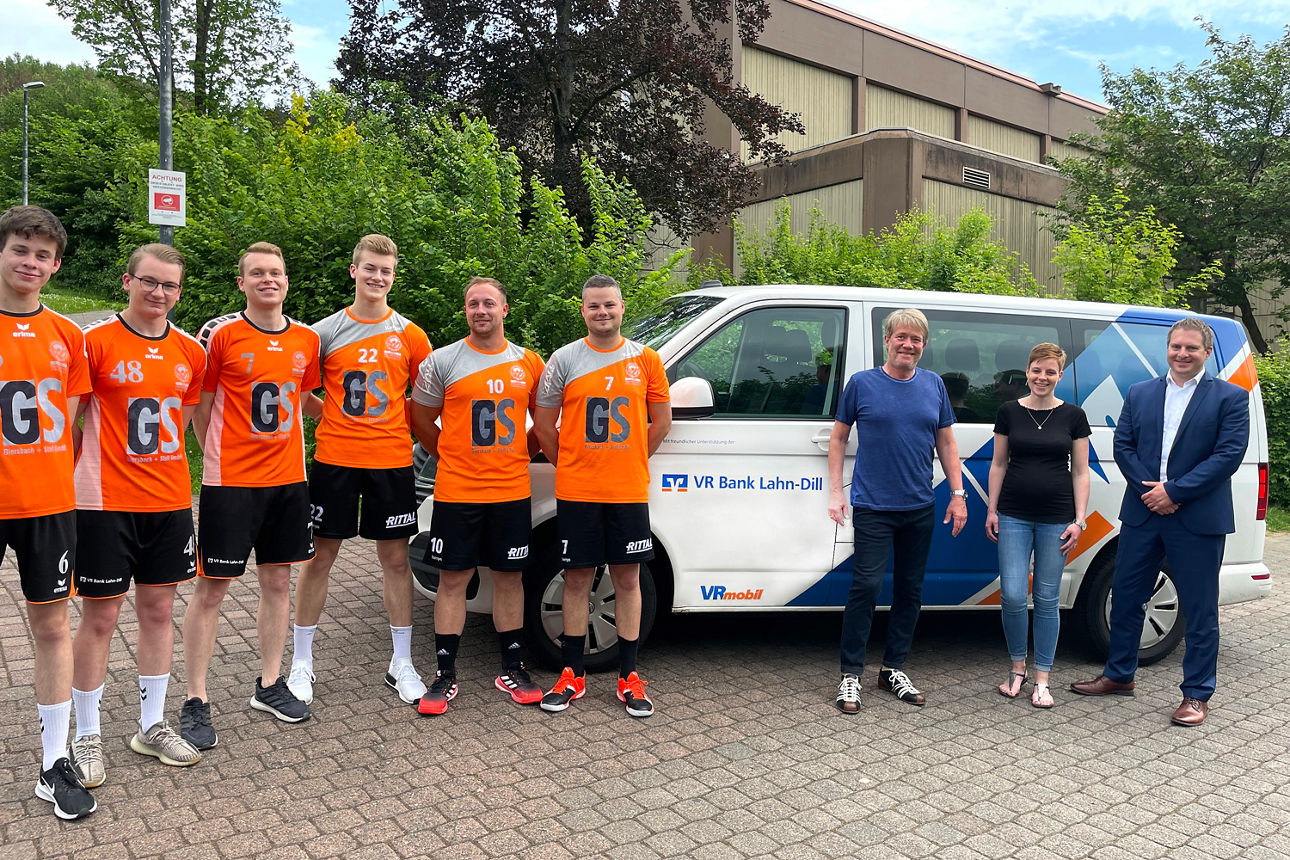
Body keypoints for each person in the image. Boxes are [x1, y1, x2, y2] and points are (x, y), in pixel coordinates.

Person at [68, 244, 207, 790]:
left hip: (170, 501)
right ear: (127, 281)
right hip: (104, 503)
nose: (159, 294)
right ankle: (86, 732)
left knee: (157, 612)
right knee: (100, 618)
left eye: (170, 285)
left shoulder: (190, 352)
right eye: (149, 282)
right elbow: (70, 419)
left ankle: (150, 725)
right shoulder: (95, 342)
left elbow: (184, 420)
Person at [179, 242, 321, 750]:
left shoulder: (306, 339)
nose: (268, 280)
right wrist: (220, 458)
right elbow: (201, 406)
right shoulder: (220, 334)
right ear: (241, 282)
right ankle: (195, 697)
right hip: (230, 484)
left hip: (288, 482)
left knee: (278, 583)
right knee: (212, 588)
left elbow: (304, 401)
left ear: (286, 280)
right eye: (257, 273)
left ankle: (268, 683)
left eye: (276, 272)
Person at [1071, 318, 1248, 727]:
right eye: (1175, 347)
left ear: (1206, 352)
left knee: (1200, 609)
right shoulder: (1141, 393)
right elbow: (1124, 445)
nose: (1182, 354)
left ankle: (1196, 694)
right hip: (1143, 512)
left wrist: (1175, 492)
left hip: (1197, 517)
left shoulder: (1230, 398)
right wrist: (1152, 491)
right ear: (1166, 349)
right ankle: (1119, 676)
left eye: (1191, 348)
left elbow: (1228, 456)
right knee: (1127, 597)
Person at [288, 235, 431, 707]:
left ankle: (402, 662)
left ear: (394, 276)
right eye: (370, 268)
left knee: (394, 560)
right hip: (336, 460)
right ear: (354, 271)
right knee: (319, 558)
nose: (377, 277)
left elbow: (423, 400)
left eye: (386, 271)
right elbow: (303, 394)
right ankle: (302, 662)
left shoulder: (410, 334)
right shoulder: (324, 333)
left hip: (391, 461)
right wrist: (331, 417)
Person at [533, 274, 671, 718]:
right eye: (594, 306)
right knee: (576, 579)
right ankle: (572, 674)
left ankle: (629, 677)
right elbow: (542, 426)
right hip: (577, 491)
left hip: (627, 489)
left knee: (628, 580)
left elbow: (661, 423)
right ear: (583, 311)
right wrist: (569, 465)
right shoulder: (564, 359)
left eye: (609, 305)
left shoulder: (646, 360)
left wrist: (630, 459)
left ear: (622, 307)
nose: (602, 313)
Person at [409, 277, 546, 714]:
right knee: (453, 580)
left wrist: (515, 456)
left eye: (489, 303)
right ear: (465, 311)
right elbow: (421, 420)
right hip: (457, 491)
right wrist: (449, 454)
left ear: (505, 309)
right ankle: (444, 674)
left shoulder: (528, 362)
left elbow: (543, 426)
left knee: (509, 579)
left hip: (510, 491)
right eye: (473, 304)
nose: (480, 310)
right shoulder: (442, 361)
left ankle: (512, 667)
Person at [0, 206, 96, 819]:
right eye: (19, 249)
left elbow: (81, 419)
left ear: (56, 265)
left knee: (54, 628)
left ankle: (54, 761)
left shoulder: (67, 334)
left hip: (47, 504)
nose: (29, 262)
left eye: (42, 254)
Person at [827, 308, 967, 714]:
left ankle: (893, 668)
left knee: (910, 590)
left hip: (919, 506)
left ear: (924, 345)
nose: (909, 345)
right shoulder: (862, 384)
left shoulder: (934, 385)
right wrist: (836, 492)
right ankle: (850, 675)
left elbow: (947, 444)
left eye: (917, 340)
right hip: (873, 505)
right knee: (866, 587)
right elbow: (838, 439)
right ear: (886, 340)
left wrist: (958, 494)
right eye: (901, 337)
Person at [985, 343, 1090, 709]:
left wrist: (1080, 520)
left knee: (1047, 599)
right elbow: (998, 464)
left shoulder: (1074, 416)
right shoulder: (1009, 412)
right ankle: (1017, 668)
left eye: (1050, 372)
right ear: (1027, 372)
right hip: (1012, 514)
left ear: (1060, 375)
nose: (1042, 377)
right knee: (1013, 595)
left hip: (1057, 519)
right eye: (1036, 370)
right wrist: (992, 509)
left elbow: (1080, 470)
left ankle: (1042, 678)